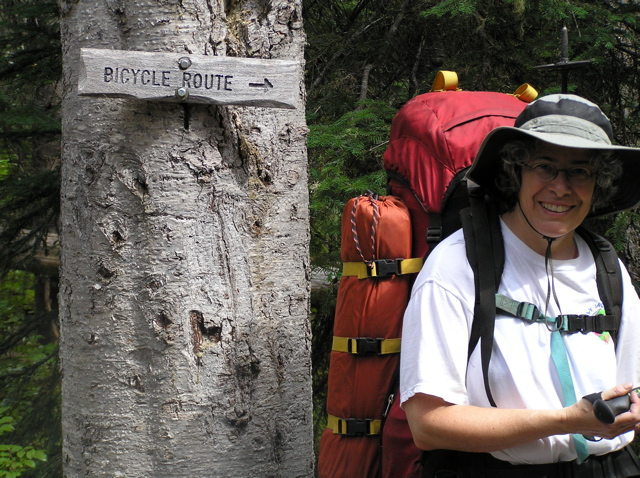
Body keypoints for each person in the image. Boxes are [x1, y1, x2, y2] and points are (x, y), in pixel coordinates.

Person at [400, 94, 640, 477]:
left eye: (580, 171)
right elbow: (428, 424)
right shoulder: (457, 265)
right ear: (515, 172)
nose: (561, 187)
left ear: (600, 183)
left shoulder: (607, 267)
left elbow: (633, 386)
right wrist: (565, 421)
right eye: (545, 167)